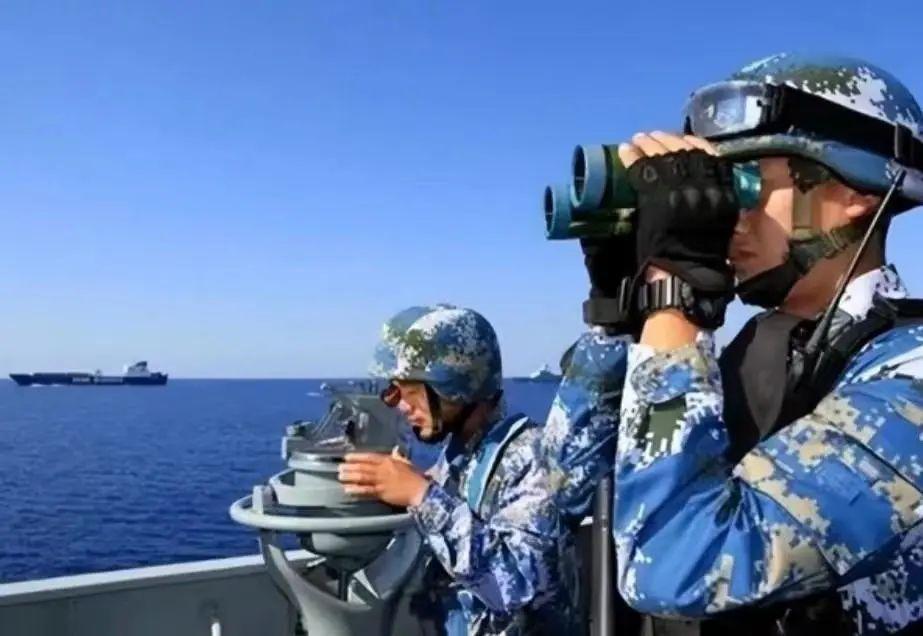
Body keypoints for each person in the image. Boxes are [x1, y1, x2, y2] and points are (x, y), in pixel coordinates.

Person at [592, 54, 923, 635]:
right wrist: (621, 313)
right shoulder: (760, 349)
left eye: (746, 186)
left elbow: (673, 569)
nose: (729, 220)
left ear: (855, 193)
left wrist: (676, 299)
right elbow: (574, 487)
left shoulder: (908, 378)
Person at [337, 304, 577, 635]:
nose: (402, 406)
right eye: (395, 391)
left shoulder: (532, 456)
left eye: (412, 392)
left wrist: (421, 495)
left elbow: (519, 585)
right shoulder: (462, 457)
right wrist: (407, 489)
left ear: (458, 387)